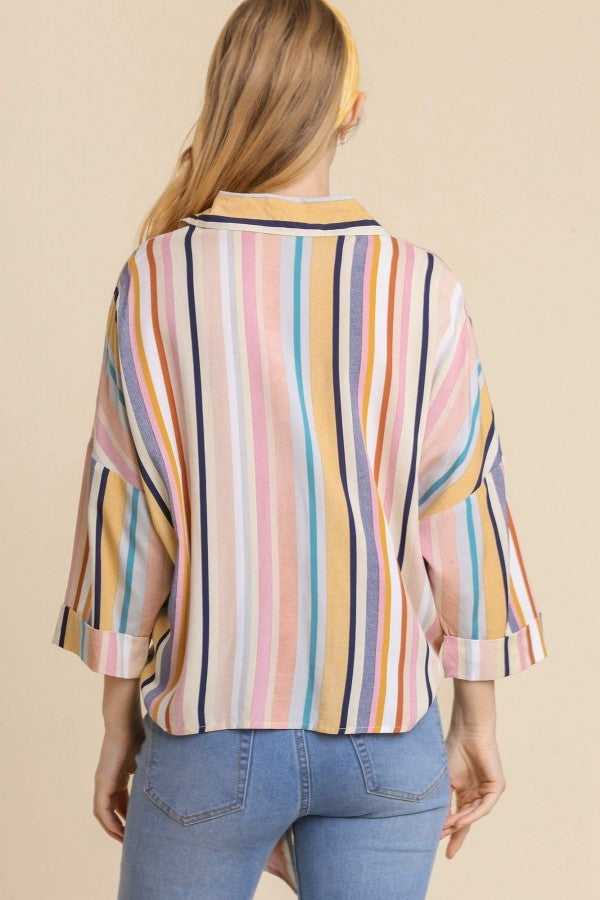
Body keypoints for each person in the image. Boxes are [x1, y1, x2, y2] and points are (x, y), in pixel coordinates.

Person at [50, 1, 548, 897]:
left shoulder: (154, 280)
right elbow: (464, 508)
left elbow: (126, 516)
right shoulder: (422, 287)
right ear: (352, 107)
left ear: (226, 95)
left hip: (208, 735)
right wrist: (478, 719)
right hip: (386, 741)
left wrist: (118, 721)